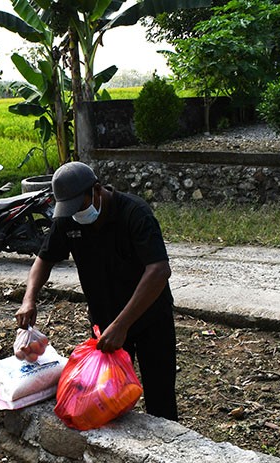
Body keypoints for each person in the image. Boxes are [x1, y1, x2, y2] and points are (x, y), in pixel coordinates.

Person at [16, 161, 177, 421]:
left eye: (79, 205)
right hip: (105, 322)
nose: (76, 213)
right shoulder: (67, 219)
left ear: (97, 190)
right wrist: (28, 299)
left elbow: (159, 270)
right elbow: (44, 259)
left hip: (149, 317)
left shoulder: (135, 213)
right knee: (108, 396)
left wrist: (122, 325)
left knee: (160, 397)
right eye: (69, 208)